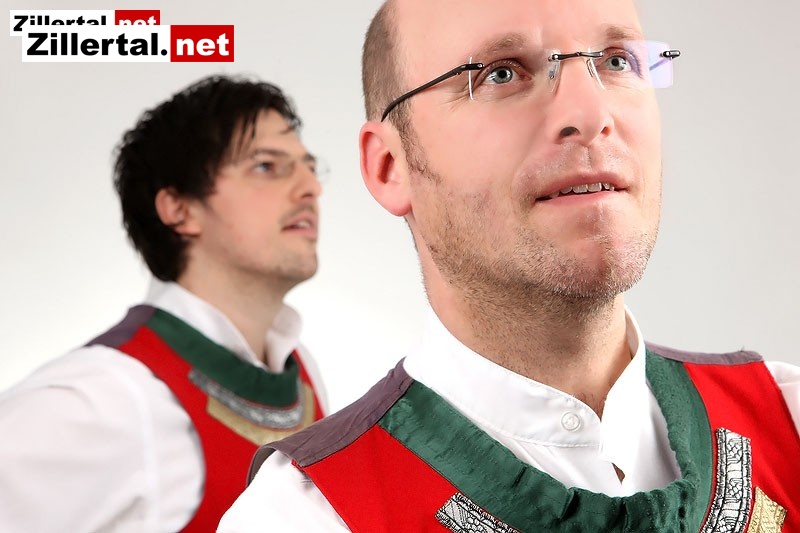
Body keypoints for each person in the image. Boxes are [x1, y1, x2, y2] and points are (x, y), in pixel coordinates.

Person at [219, 0, 800, 531]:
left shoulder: (788, 416)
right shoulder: (303, 516)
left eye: (616, 60)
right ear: (391, 165)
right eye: (501, 73)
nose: (591, 114)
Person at [0, 75, 328, 532]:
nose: (311, 187)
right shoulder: (102, 400)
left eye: (310, 167)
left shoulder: (302, 373)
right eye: (266, 166)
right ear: (179, 209)